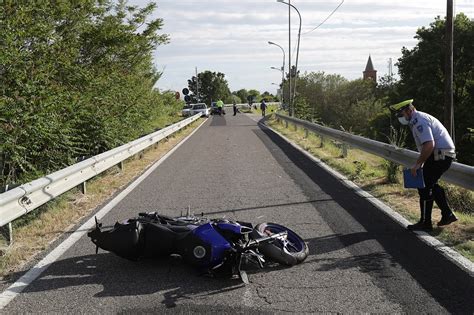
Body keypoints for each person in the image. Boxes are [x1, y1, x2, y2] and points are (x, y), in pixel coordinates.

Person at [390, 99, 458, 231]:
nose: (401, 118)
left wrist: (418, 164)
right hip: (441, 155)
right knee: (431, 184)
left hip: (439, 155)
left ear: (409, 110)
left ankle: (426, 223)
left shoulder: (419, 121)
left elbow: (429, 144)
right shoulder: (418, 118)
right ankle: (447, 214)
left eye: (401, 114)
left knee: (424, 186)